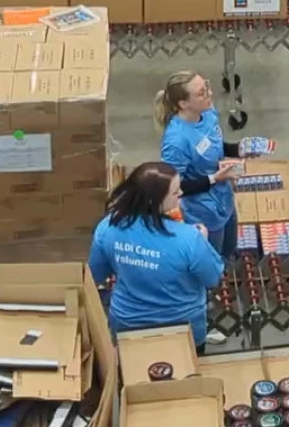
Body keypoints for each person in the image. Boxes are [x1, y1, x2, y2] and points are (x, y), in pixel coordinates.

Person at [89, 161, 226, 346]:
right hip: (182, 329)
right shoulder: (189, 238)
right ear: (155, 200)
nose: (181, 194)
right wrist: (203, 241)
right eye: (175, 192)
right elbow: (212, 277)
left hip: (127, 326)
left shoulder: (109, 226)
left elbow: (94, 275)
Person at [157, 72, 243, 259]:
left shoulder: (207, 113)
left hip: (224, 200)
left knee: (229, 250)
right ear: (183, 104)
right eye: (201, 93)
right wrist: (215, 178)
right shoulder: (176, 142)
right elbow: (174, 187)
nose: (210, 94)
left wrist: (240, 149)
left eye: (207, 87)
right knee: (211, 261)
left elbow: (216, 144)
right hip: (203, 214)